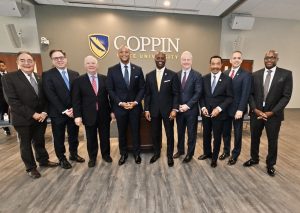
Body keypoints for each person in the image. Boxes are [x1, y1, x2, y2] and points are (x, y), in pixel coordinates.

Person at [1, 51, 58, 179]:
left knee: (39, 141)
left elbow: (44, 98)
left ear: (34, 62)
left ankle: (43, 160)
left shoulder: (39, 77)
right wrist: (33, 114)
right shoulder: (8, 78)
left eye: (29, 60)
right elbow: (12, 101)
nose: (27, 63)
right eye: (23, 60)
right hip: (23, 119)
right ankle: (31, 168)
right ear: (17, 63)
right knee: (25, 144)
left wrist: (43, 112)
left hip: (40, 118)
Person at [243, 50, 293, 176]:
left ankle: (270, 164)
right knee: (254, 138)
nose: (269, 60)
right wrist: (255, 109)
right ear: (264, 59)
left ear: (277, 59)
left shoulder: (286, 74)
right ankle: (254, 159)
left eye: (272, 57)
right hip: (257, 113)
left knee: (272, 140)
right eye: (267, 58)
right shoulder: (255, 75)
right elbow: (250, 94)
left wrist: (273, 112)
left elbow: (286, 97)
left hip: (273, 116)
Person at [43, 49, 85, 169]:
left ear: (65, 58)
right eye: (56, 58)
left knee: (73, 136)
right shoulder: (47, 75)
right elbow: (51, 95)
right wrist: (64, 110)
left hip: (73, 112)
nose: (59, 60)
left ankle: (73, 154)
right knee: (59, 137)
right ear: (52, 61)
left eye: (61, 57)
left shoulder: (75, 74)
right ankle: (62, 158)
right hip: (58, 113)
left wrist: (73, 109)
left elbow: (77, 94)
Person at [106, 45, 145, 165]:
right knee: (121, 132)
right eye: (121, 52)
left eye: (126, 52)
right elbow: (110, 90)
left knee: (135, 131)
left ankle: (136, 153)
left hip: (134, 108)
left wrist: (136, 102)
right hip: (120, 108)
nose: (124, 54)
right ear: (118, 54)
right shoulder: (112, 70)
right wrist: (120, 103)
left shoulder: (138, 69)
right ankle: (123, 154)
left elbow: (142, 88)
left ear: (130, 54)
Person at [72, 56, 113, 168]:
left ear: (97, 65)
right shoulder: (78, 81)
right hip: (88, 115)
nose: (91, 65)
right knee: (91, 138)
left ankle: (106, 155)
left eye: (93, 63)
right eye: (88, 63)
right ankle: (92, 158)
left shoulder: (105, 79)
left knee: (105, 137)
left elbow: (111, 97)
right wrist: (77, 115)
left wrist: (112, 111)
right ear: (85, 65)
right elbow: (76, 100)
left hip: (104, 114)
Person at [144, 51, 180, 167]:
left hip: (168, 111)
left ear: (165, 59)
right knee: (155, 134)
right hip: (154, 111)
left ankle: (169, 155)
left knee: (169, 134)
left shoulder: (172, 75)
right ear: (155, 59)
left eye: (162, 58)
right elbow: (147, 94)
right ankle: (156, 153)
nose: (160, 59)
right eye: (158, 57)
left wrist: (175, 109)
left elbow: (176, 94)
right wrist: (147, 109)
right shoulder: (149, 75)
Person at [198, 55, 233, 168]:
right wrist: (203, 107)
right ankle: (207, 153)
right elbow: (201, 96)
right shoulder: (204, 78)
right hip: (206, 113)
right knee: (206, 135)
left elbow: (230, 97)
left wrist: (219, 108)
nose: (215, 66)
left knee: (217, 137)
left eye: (218, 64)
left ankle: (214, 158)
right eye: (213, 64)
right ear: (210, 65)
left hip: (219, 114)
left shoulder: (227, 80)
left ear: (221, 65)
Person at [219, 51, 251, 165]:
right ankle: (226, 151)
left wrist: (241, 109)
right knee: (225, 132)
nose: (236, 60)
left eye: (239, 58)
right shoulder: (225, 73)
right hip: (226, 109)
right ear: (230, 60)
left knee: (237, 133)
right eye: (234, 58)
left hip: (238, 110)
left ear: (241, 60)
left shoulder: (246, 74)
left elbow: (245, 94)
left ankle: (235, 154)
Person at [173, 51, 202, 163]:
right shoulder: (176, 75)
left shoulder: (197, 75)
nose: (186, 62)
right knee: (180, 132)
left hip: (191, 111)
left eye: (188, 59)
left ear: (191, 61)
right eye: (184, 59)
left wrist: (188, 105)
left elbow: (198, 93)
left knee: (191, 133)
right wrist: (177, 106)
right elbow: (175, 92)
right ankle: (180, 150)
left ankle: (190, 154)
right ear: (181, 61)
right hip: (179, 110)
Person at [0, 60, 11, 135]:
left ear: (5, 66)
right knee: (4, 114)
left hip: (12, 98)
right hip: (2, 99)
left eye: (2, 65)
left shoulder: (10, 75)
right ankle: (6, 128)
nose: (1, 67)